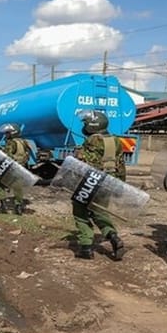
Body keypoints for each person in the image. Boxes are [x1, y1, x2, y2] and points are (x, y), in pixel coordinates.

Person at [71, 111, 126, 260]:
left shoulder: (92, 142)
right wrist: (120, 184)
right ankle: (113, 237)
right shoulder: (116, 140)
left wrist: (77, 154)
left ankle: (86, 248)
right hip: (109, 181)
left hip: (92, 181)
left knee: (80, 213)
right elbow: (120, 165)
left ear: (93, 125)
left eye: (86, 123)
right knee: (99, 212)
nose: (84, 126)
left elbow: (86, 165)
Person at [0, 123, 31, 215]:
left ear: (13, 133)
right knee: (18, 187)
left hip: (11, 168)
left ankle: (3, 207)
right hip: (21, 167)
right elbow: (27, 156)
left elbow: (7, 156)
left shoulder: (11, 142)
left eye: (7, 133)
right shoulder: (23, 142)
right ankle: (18, 208)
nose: (6, 135)